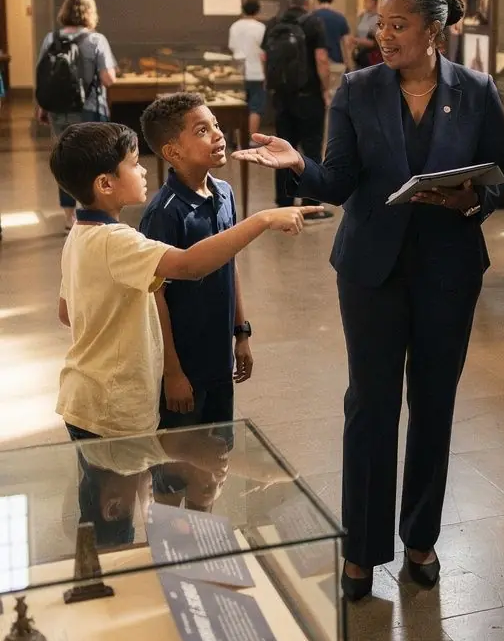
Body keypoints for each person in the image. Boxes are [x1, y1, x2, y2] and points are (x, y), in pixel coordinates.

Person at [235, 0, 504, 601]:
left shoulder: (476, 91)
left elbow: (494, 180)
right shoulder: (358, 90)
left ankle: (421, 539)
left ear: (433, 32)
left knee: (434, 404)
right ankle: (361, 550)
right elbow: (337, 181)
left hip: (448, 268)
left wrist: (470, 198)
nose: (382, 35)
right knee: (370, 405)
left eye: (398, 25)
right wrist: (297, 164)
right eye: (381, 23)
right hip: (370, 271)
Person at [50, 120, 310, 444]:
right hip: (112, 407)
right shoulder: (117, 242)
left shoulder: (80, 233)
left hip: (85, 396)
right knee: (126, 492)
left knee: (112, 491)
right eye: (134, 165)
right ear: (105, 184)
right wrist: (262, 219)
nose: (144, 171)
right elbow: (188, 265)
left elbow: (66, 312)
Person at [139, 92, 254, 431]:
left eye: (215, 125)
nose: (218, 134)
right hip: (184, 369)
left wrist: (241, 333)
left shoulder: (225, 194)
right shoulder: (164, 213)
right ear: (173, 152)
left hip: (220, 362)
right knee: (181, 466)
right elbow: (154, 295)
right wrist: (172, 373)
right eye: (202, 130)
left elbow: (229, 265)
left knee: (218, 456)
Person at [36, 0, 117, 231]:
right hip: (90, 109)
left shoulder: (51, 39)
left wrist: (42, 107)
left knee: (65, 159)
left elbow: (43, 77)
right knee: (94, 161)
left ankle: (69, 217)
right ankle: (92, 212)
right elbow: (108, 78)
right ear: (90, 13)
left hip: (59, 110)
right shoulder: (96, 40)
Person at [262, 0, 333, 221]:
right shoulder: (313, 22)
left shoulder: (274, 23)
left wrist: (271, 85)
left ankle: (284, 201)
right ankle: (311, 203)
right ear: (307, 0)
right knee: (311, 149)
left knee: (281, 147)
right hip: (309, 95)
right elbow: (321, 58)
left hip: (282, 97)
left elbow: (264, 57)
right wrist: (326, 88)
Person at [228, 0, 266, 137]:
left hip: (238, 72)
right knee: (255, 108)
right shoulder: (261, 28)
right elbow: (263, 52)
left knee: (238, 106)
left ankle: (238, 139)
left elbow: (232, 47)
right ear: (258, 10)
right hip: (256, 72)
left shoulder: (235, 26)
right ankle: (251, 139)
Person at [314, 0, 352, 72]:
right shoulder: (340, 18)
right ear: (331, 0)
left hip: (315, 63)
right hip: (336, 61)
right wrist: (348, 64)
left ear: (318, 0)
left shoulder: (312, 17)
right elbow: (347, 43)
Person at [353, 0, 381, 68]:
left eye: (366, 1)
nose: (364, 3)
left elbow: (375, 42)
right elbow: (359, 33)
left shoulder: (378, 19)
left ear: (373, 2)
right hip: (360, 55)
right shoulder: (363, 16)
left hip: (371, 57)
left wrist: (358, 40)